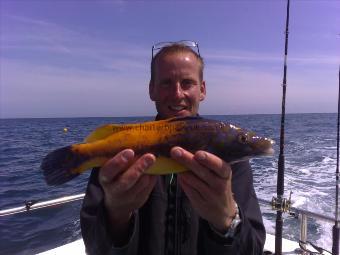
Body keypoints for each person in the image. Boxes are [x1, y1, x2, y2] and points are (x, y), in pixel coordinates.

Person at [80, 41, 266, 255]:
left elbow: (253, 249)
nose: (177, 94)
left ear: (202, 90)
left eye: (187, 83)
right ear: (152, 90)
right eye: (166, 83)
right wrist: (115, 214)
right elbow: (94, 249)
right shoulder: (120, 154)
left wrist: (227, 219)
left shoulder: (231, 163)